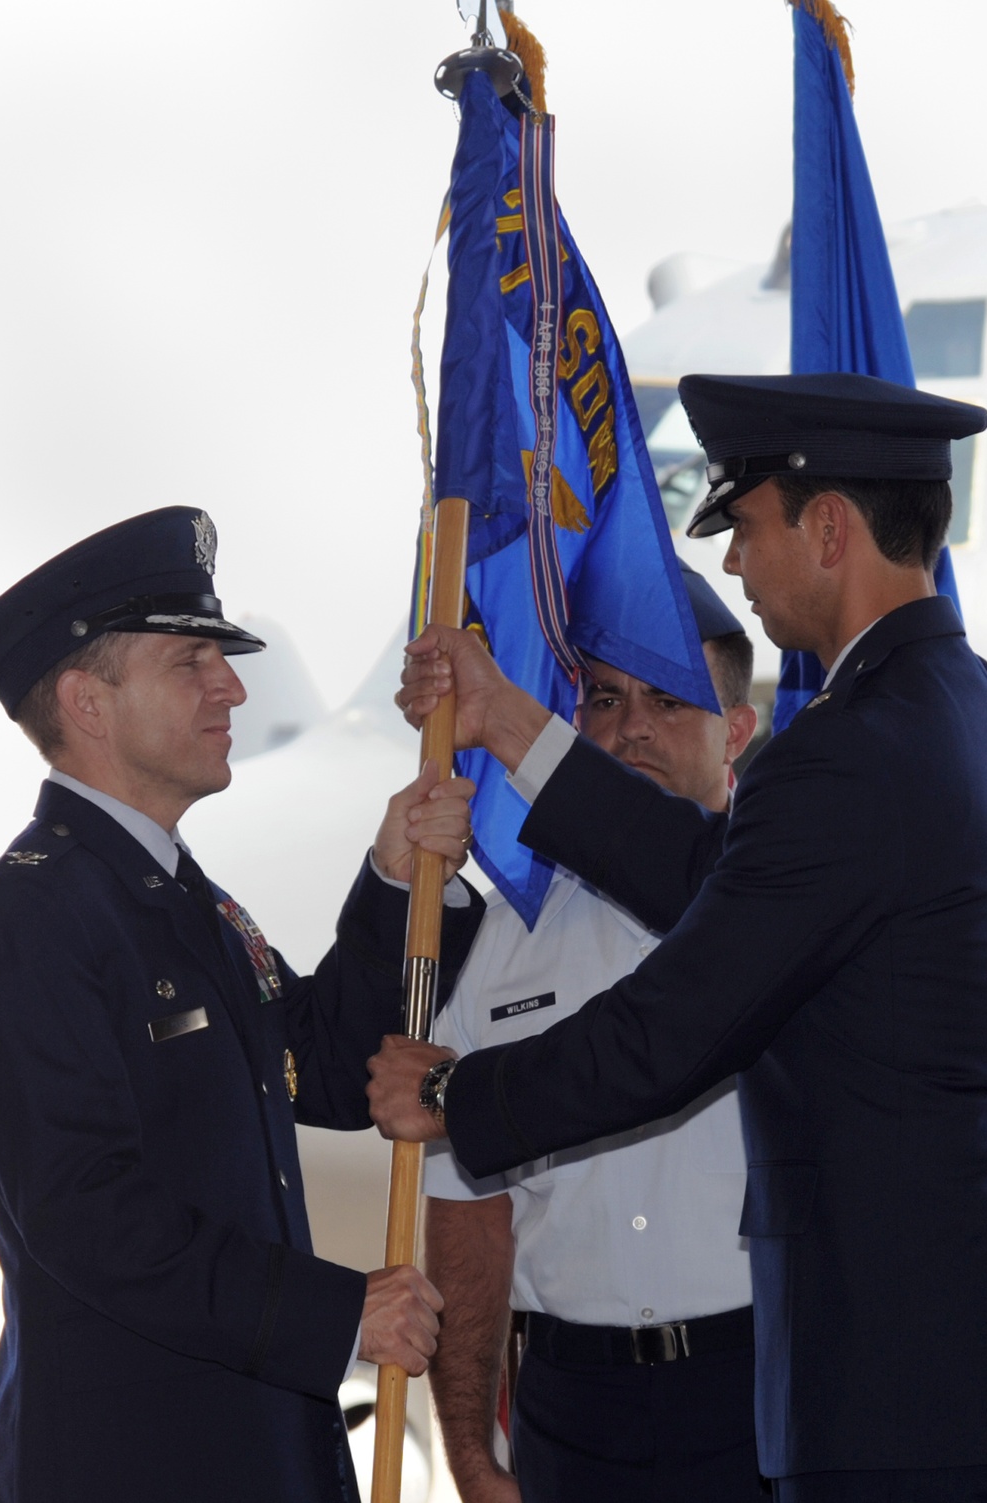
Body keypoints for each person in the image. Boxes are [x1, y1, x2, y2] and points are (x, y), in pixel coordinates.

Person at [366, 373, 987, 1502]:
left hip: (894, 1387)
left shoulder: (844, 752)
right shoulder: (958, 712)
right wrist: (508, 717)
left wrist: (459, 1099)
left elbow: (675, 1027)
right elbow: (714, 881)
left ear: (831, 527)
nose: (736, 565)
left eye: (744, 528)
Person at [0, 506, 484, 1503]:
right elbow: (87, 1214)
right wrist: (339, 1318)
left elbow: (327, 1069)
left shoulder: (177, 896)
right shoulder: (34, 914)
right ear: (87, 702)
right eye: (190, 665)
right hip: (125, 1460)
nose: (234, 688)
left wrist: (395, 884)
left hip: (250, 1440)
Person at [423, 563, 762, 1503]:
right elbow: (468, 1213)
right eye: (605, 697)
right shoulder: (497, 941)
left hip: (760, 1394)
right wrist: (466, 1448)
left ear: (738, 729)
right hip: (571, 1409)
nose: (632, 725)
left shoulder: (792, 924)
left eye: (670, 696)